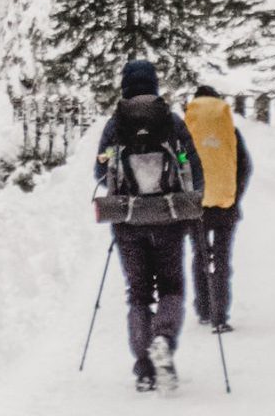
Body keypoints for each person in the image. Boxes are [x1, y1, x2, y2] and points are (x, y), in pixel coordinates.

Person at [93, 59, 204, 392]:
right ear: (154, 85)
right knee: (172, 288)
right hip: (169, 218)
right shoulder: (170, 121)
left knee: (139, 294)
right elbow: (194, 170)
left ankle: (143, 367)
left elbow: (99, 174)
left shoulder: (115, 125)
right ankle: (163, 339)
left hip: (128, 222)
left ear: (125, 85)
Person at [184, 83, 252, 333]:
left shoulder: (187, 130)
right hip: (226, 206)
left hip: (195, 205)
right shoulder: (229, 132)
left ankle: (202, 308)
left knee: (200, 255)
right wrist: (234, 195)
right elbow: (244, 166)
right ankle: (219, 316)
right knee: (222, 259)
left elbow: (180, 162)